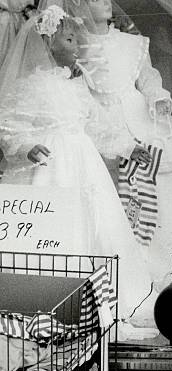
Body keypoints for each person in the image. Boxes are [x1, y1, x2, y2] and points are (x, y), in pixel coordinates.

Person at [0, 6, 155, 324]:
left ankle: (108, 299)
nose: (77, 46)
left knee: (98, 223)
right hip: (51, 166)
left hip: (83, 161)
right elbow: (9, 124)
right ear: (47, 43)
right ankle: (48, 301)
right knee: (57, 231)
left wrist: (127, 146)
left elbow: (96, 127)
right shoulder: (32, 85)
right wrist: (25, 146)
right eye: (70, 39)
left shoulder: (76, 84)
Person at [38, 0, 172, 286]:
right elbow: (75, 90)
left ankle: (170, 263)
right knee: (111, 196)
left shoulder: (132, 42)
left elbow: (148, 78)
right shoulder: (75, 45)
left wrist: (156, 96)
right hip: (100, 125)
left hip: (137, 118)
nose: (106, 4)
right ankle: (129, 271)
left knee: (157, 189)